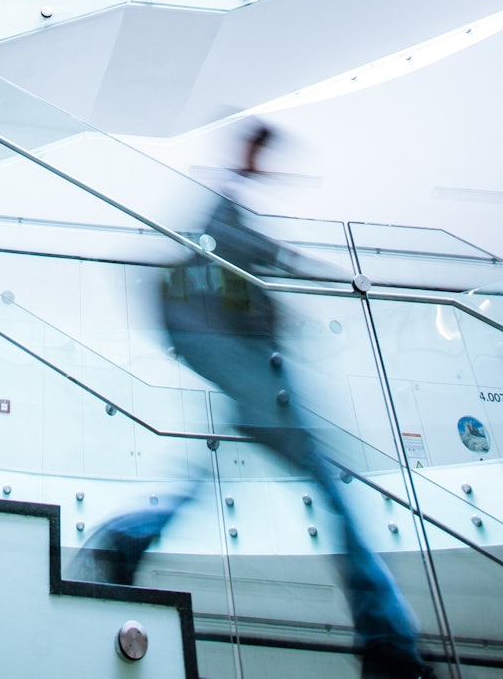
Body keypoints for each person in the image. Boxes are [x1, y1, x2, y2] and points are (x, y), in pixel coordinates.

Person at [75, 124, 432, 678]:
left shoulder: (225, 214)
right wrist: (325, 277)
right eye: (259, 153)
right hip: (259, 374)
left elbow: (250, 258)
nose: (265, 163)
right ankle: (387, 638)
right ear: (249, 152)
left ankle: (128, 540)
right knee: (333, 494)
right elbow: (247, 253)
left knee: (213, 476)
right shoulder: (224, 214)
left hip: (249, 373)